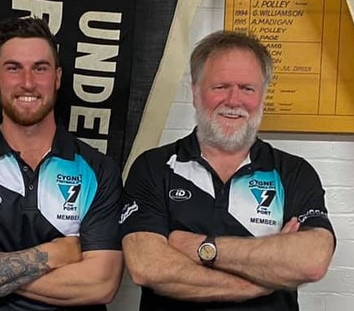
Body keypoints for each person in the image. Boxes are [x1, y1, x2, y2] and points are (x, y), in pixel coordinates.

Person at [120, 30, 336, 310]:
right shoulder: (153, 167)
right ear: (195, 93)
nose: (234, 100)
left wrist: (200, 248)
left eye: (248, 88)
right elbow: (146, 266)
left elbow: (312, 260)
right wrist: (262, 279)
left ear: (262, 95)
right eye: (220, 87)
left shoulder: (293, 172)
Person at [0, 16, 124, 310]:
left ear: (57, 77)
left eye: (40, 68)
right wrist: (55, 254)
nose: (28, 82)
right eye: (13, 68)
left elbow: (101, 284)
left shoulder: (99, 169)